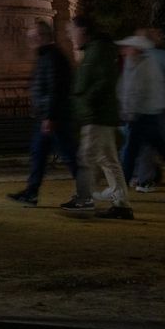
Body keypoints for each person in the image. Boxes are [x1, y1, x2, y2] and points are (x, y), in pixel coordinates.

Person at [60, 16, 131, 218]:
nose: (70, 36)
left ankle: (83, 199)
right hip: (99, 113)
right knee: (108, 161)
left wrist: (87, 103)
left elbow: (103, 81)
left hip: (96, 115)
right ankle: (121, 205)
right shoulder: (96, 50)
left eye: (71, 31)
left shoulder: (98, 50)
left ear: (82, 31)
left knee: (86, 158)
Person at [7, 20, 77, 206]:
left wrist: (50, 116)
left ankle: (85, 192)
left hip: (54, 117)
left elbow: (56, 88)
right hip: (46, 116)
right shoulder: (46, 57)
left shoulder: (53, 57)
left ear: (41, 37)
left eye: (32, 37)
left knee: (69, 155)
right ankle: (31, 192)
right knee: (38, 154)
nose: (30, 41)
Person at [116, 33, 165, 205]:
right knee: (159, 150)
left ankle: (126, 188)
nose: (124, 50)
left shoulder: (150, 62)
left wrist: (130, 110)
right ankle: (132, 185)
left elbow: (139, 90)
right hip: (149, 113)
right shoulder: (141, 61)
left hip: (154, 112)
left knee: (157, 150)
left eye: (127, 47)